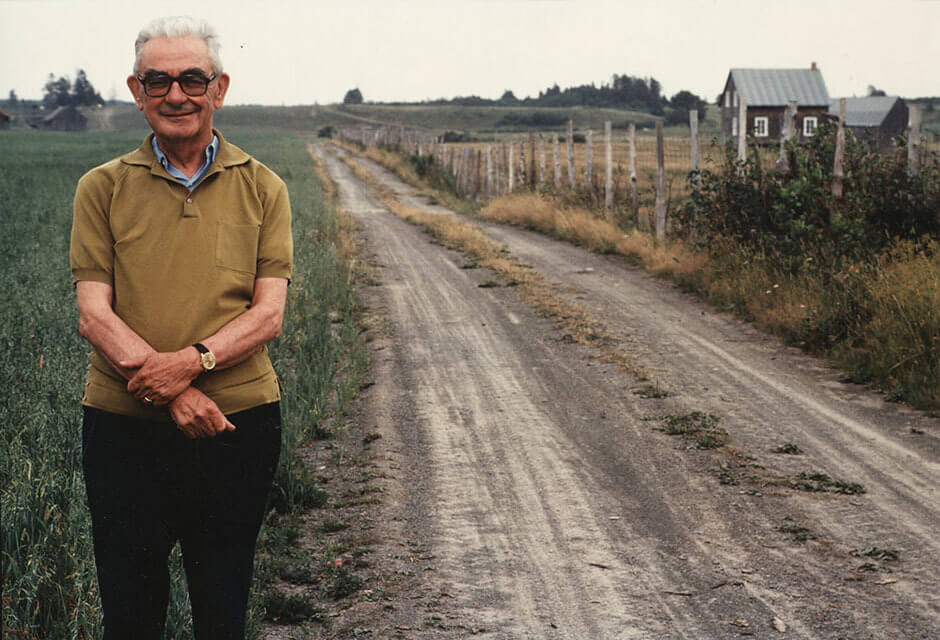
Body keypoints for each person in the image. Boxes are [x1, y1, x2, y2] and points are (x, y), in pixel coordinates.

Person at [69, 16, 292, 639]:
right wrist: (175, 391)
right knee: (131, 611)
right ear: (137, 92)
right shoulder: (101, 189)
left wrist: (189, 366)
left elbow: (267, 313)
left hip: (235, 426)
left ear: (218, 88)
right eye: (158, 81)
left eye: (192, 79)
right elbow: (94, 314)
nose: (176, 95)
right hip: (124, 431)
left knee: (222, 606)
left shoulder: (265, 188)